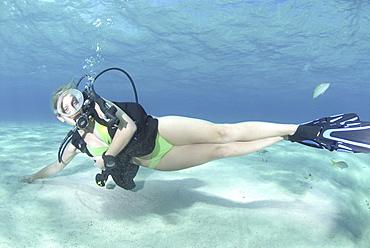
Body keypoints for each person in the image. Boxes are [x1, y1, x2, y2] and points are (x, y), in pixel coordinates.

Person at [22, 68, 370, 190]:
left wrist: (109, 156)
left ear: (77, 97)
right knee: (222, 152)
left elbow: (126, 127)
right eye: (63, 107)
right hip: (155, 160)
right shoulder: (75, 143)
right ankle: (289, 136)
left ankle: (302, 128)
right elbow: (58, 165)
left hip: (161, 131)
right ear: (60, 118)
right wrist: (34, 178)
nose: (71, 105)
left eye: (71, 98)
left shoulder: (99, 104)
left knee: (222, 132)